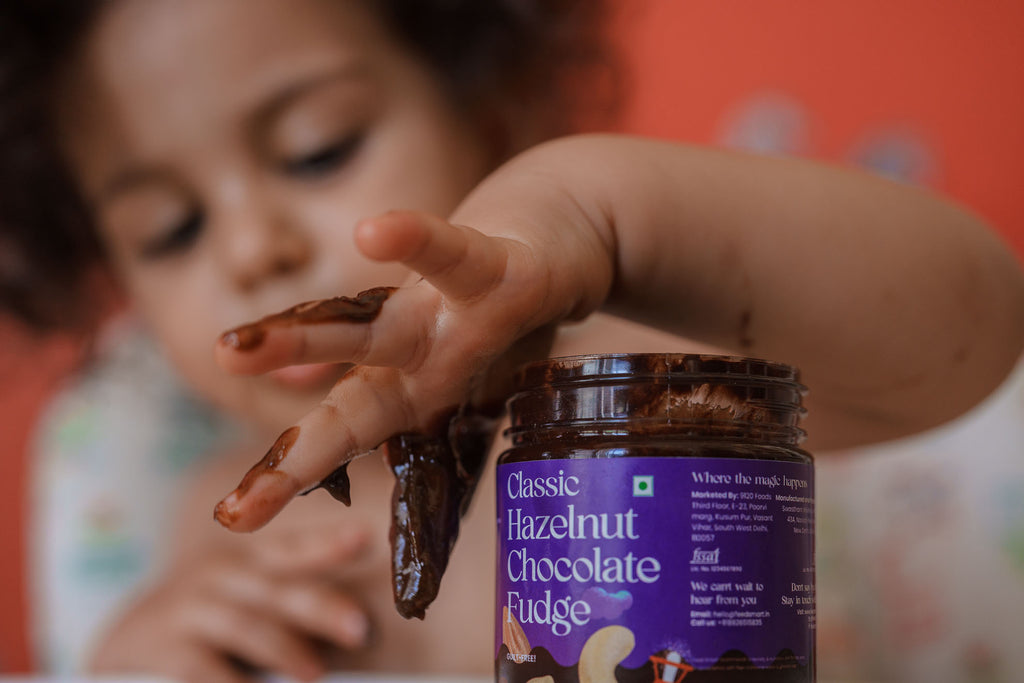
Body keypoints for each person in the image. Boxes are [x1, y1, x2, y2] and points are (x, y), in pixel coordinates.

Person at [0, 0, 1021, 681]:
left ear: (486, 113)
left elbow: (973, 334)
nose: (252, 246)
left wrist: (595, 211)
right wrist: (134, 660)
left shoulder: (636, 386)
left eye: (318, 149)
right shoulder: (211, 522)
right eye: (169, 230)